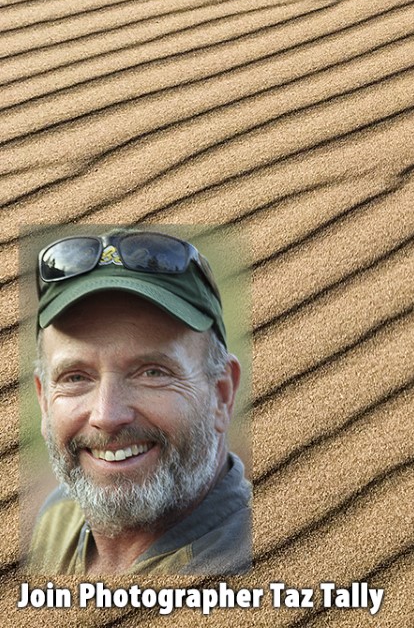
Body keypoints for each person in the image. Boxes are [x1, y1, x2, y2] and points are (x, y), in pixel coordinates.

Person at [27, 229, 251, 575]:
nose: (107, 414)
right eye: (75, 377)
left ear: (222, 394)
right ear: (43, 400)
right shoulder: (58, 517)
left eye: (152, 373)